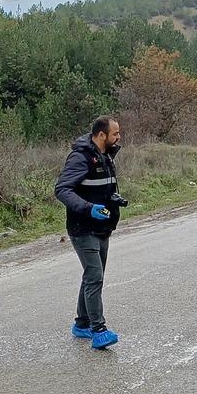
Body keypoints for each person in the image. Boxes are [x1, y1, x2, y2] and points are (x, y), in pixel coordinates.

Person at [55, 115, 124, 350]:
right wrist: (88, 208)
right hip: (83, 228)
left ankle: (82, 323)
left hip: (103, 227)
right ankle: (99, 330)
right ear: (101, 135)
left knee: (92, 275)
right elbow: (62, 189)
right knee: (95, 276)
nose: (118, 137)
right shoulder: (80, 157)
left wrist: (112, 201)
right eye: (115, 133)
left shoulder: (106, 155)